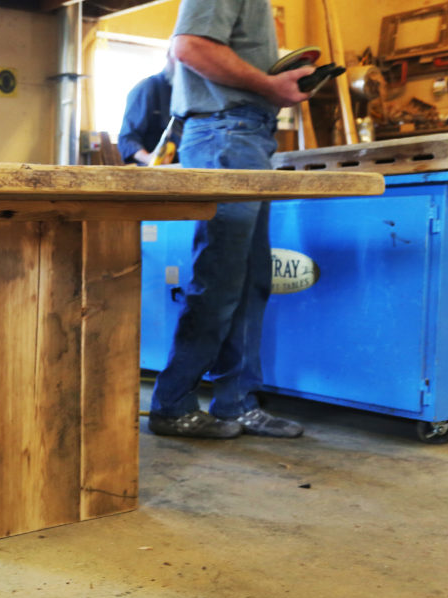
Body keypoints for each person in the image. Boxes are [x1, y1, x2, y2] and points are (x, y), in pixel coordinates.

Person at [147, 0, 314, 439]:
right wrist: (267, 84)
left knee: (248, 280)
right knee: (220, 281)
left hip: (245, 134)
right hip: (227, 133)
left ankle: (235, 403)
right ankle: (172, 403)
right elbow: (190, 47)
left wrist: (272, 86)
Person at [117, 51, 174, 165]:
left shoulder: (188, 94)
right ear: (169, 55)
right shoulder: (147, 88)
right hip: (155, 173)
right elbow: (127, 139)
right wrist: (149, 158)